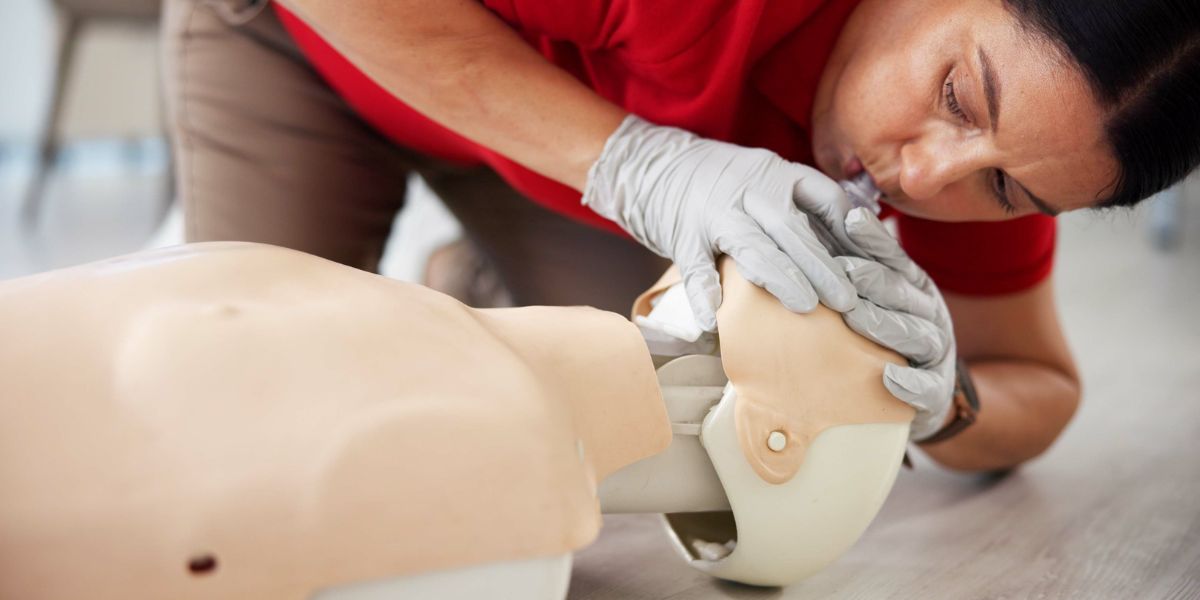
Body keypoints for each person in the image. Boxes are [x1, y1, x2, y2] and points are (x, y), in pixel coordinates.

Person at [161, 0, 1200, 472]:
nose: (925, 178)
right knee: (241, 430)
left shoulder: (985, 150)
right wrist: (636, 166)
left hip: (553, 162)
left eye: (1008, 187)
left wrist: (938, 398)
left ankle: (477, 268)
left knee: (657, 418)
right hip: (318, 49)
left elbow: (1039, 385)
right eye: (959, 96)